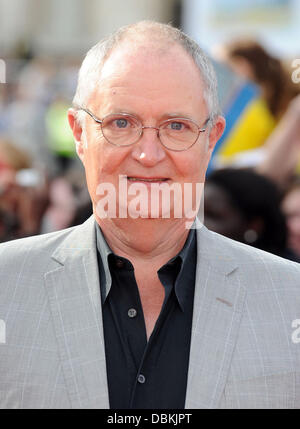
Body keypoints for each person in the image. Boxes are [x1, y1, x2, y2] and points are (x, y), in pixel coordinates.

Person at [0, 21, 299, 410]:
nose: (148, 154)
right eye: (121, 123)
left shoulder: (290, 299)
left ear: (211, 139)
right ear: (78, 134)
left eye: (176, 126)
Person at [204, 167, 299, 261]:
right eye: (194, 212)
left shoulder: (284, 274)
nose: (196, 222)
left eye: (212, 215)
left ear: (254, 226)